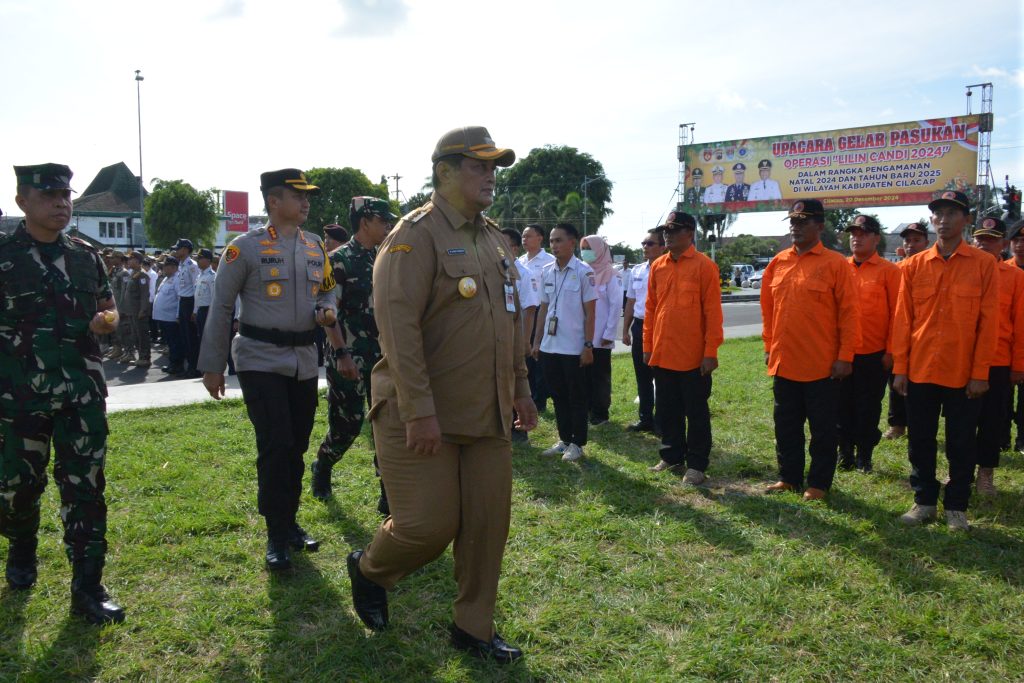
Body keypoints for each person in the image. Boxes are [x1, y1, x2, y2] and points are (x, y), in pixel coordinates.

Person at [347, 126, 536, 664]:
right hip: (419, 411)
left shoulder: (496, 239)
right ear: (444, 172)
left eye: (494, 167)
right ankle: (370, 569)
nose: (491, 177)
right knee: (427, 526)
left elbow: (509, 320)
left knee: (485, 525)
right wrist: (421, 412)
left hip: (488, 410)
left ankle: (472, 627)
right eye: (479, 166)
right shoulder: (413, 237)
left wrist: (521, 389)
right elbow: (398, 334)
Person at [1, 163, 124, 623]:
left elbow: (107, 308)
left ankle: (88, 587)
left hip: (81, 393)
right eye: (49, 195)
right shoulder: (4, 257)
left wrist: (105, 320)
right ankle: (21, 544)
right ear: (22, 202)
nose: (61, 203)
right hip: (19, 398)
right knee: (16, 490)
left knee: (86, 489)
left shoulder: (85, 256)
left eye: (66, 195)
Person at [198, 168, 338, 570]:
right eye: (298, 195)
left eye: (307, 195)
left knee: (296, 445)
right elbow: (222, 306)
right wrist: (212, 365)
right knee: (275, 445)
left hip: (304, 360)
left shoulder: (315, 246)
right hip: (260, 358)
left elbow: (328, 287)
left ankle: (289, 521)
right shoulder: (246, 248)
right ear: (274, 202)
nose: (306, 202)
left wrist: (329, 307)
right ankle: (276, 533)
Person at [891, 190, 998, 531]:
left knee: (961, 441)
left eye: (953, 213)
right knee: (920, 439)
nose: (944, 219)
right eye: (938, 213)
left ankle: (956, 507)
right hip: (921, 369)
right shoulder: (913, 266)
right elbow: (902, 321)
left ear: (966, 220)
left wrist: (980, 373)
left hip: (964, 373)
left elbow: (989, 323)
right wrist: (901, 369)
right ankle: (924, 501)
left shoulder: (984, 265)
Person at [761, 199, 860, 501]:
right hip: (785, 361)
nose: (796, 227)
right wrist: (769, 347)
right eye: (793, 221)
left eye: (803, 221)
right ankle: (788, 477)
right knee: (786, 425)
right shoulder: (778, 262)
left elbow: (849, 314)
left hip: (822, 365)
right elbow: (768, 311)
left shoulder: (835, 264)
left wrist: (845, 357)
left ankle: (818, 483)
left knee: (822, 430)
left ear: (820, 225)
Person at [311, 196, 396, 507]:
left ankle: (388, 491)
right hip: (348, 355)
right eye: (382, 220)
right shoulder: (339, 260)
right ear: (365, 222)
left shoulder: (386, 258)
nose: (388, 225)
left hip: (383, 355)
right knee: (349, 423)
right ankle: (323, 464)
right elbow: (327, 308)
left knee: (386, 423)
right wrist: (342, 354)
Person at [643, 211, 724, 483]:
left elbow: (713, 313)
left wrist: (710, 352)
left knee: (696, 412)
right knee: (668, 409)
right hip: (663, 352)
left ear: (689, 233)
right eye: (666, 229)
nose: (667, 234)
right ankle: (671, 455)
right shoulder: (659, 266)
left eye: (674, 230)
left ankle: (697, 465)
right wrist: (648, 345)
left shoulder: (704, 266)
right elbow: (651, 309)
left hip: (693, 356)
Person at [837, 215, 900, 473]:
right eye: (853, 233)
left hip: (874, 354)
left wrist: (891, 350)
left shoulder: (889, 271)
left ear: (876, 238)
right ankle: (844, 453)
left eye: (863, 233)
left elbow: (898, 315)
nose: (856, 237)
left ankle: (864, 455)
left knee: (868, 406)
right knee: (841, 406)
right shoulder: (839, 267)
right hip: (842, 353)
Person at [533, 223, 597, 462]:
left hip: (573, 347)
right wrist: (537, 341)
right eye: (551, 241)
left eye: (559, 240)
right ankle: (564, 439)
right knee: (558, 395)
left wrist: (588, 345)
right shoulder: (547, 271)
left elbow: (591, 312)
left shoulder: (584, 271)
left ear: (572, 242)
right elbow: (543, 309)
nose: (554, 245)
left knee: (576, 397)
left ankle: (577, 443)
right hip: (551, 347)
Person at [971, 216, 1024, 496]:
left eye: (990, 241)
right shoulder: (961, 271)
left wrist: (1017, 366)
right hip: (962, 361)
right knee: (961, 422)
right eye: (980, 239)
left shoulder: (1016, 278)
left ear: (1003, 244)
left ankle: (986, 474)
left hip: (998, 362)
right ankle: (961, 471)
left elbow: (1019, 326)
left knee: (992, 421)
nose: (984, 245)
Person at [884, 221, 932, 439]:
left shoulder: (932, 268)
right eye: (907, 240)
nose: (911, 245)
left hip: (923, 337)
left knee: (921, 387)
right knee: (896, 383)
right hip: (898, 335)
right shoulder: (896, 270)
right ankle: (897, 424)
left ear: (927, 242)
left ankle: (918, 425)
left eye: (916, 240)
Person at [622, 228, 666, 433]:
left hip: (661, 326)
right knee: (642, 374)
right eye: (644, 243)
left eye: (650, 244)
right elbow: (630, 301)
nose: (645, 247)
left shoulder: (667, 269)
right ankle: (645, 418)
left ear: (662, 246)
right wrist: (625, 330)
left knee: (662, 375)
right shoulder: (637, 270)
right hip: (640, 325)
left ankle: (661, 421)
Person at [500, 227, 540, 444]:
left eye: (503, 243)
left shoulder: (523, 274)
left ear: (513, 248)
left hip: (516, 339)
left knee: (517, 382)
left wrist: (524, 342)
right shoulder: (495, 270)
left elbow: (530, 309)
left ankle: (519, 430)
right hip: (497, 338)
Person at [579, 234, 622, 426]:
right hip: (582, 335)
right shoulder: (581, 271)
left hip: (601, 336)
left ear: (599, 250)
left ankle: (600, 413)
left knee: (600, 376)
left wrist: (609, 334)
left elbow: (615, 306)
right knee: (584, 376)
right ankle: (587, 409)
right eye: (583, 247)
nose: (585, 252)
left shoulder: (611, 275)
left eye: (589, 248)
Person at [518, 223, 555, 412]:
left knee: (538, 356)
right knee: (525, 359)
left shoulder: (549, 260)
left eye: (529, 236)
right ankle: (528, 395)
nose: (525, 240)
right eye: (523, 237)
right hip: (523, 314)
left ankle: (540, 400)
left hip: (542, 313)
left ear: (540, 238)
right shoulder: (520, 261)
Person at [1006, 220, 1024, 452]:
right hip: (1006, 345)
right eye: (1016, 241)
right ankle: (1001, 438)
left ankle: (1022, 438)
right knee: (1002, 398)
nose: (1020, 245)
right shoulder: (1003, 271)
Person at [172, 238, 201, 378]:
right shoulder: (182, 265)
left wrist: (195, 310)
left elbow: (197, 289)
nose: (176, 251)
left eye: (178, 248)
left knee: (191, 338)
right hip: (183, 302)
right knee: (185, 336)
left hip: (190, 302)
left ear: (185, 249)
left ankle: (195, 368)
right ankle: (189, 366)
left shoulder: (192, 265)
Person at [152, 257, 185, 375]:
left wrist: (178, 315)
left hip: (171, 318)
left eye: (165, 266)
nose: (163, 268)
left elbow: (180, 298)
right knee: (170, 343)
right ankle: (172, 363)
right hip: (163, 317)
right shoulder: (166, 278)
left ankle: (177, 365)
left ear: (173, 267)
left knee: (175, 342)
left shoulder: (177, 278)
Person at [121, 251, 153, 368]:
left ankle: (145, 357)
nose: (128, 261)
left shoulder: (142, 276)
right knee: (135, 334)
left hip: (138, 311)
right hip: (131, 310)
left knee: (142, 334)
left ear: (138, 261)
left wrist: (143, 310)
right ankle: (140, 356)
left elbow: (145, 294)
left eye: (131, 259)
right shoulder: (133, 274)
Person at [194, 247, 216, 348]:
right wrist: (195, 311)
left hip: (208, 311)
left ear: (208, 260)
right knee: (200, 338)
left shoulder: (212, 276)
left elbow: (214, 298)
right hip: (200, 310)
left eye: (200, 258)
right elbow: (197, 296)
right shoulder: (200, 276)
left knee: (207, 339)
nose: (197, 261)